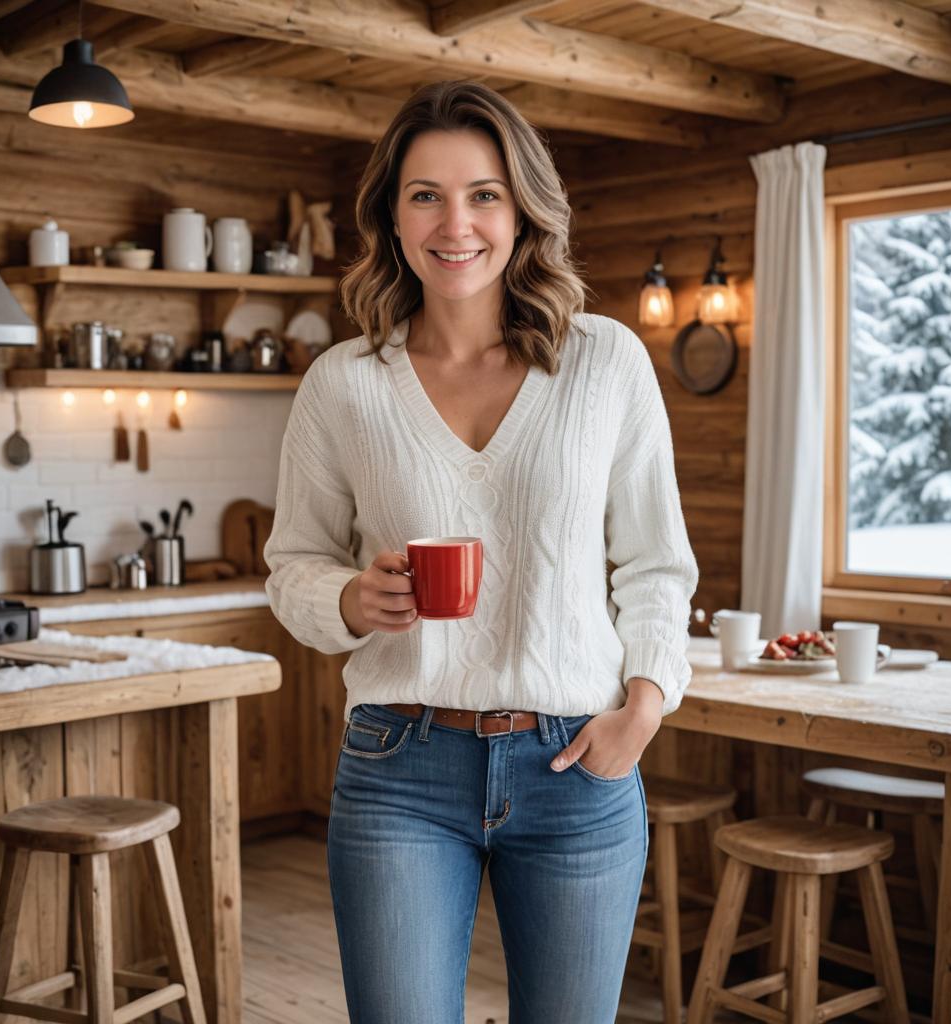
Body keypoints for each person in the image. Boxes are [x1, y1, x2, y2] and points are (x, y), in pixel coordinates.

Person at [264, 79, 700, 1024]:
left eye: (483, 194)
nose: (454, 222)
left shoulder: (606, 363)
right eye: (425, 194)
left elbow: (657, 564)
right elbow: (293, 563)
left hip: (577, 761)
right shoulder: (343, 386)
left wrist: (643, 711)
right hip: (398, 769)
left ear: (522, 211)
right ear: (391, 212)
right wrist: (348, 601)